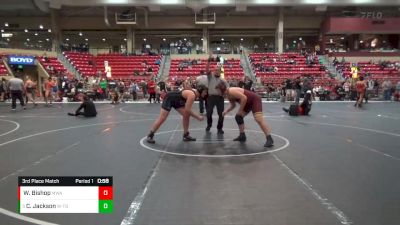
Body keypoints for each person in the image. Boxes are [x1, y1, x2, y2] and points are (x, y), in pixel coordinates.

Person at [200, 69, 228, 134]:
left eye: (218, 71)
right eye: (216, 71)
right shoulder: (210, 77)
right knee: (209, 112)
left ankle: (220, 128)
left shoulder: (223, 80)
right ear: (214, 71)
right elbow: (207, 70)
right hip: (211, 97)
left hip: (220, 98)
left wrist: (224, 92)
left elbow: (227, 88)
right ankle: (209, 125)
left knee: (221, 114)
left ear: (220, 72)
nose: (217, 72)